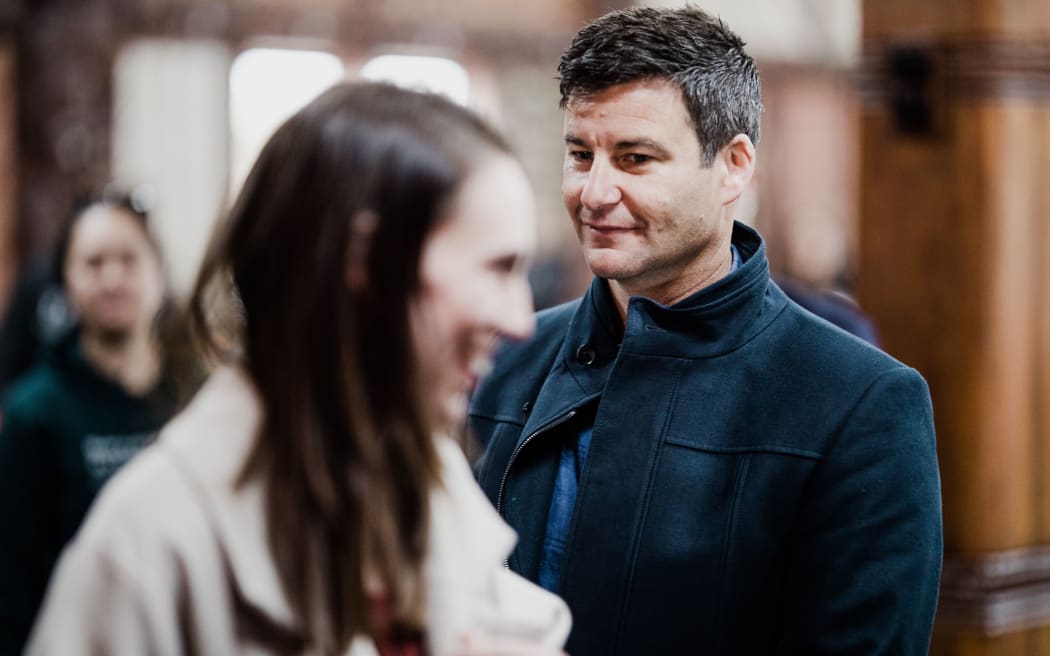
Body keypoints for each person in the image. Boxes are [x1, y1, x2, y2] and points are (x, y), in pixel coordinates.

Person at [27, 82, 570, 655]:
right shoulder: (149, 543)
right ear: (366, 262)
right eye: (496, 269)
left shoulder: (420, 474)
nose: (520, 321)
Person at [470, 7, 942, 655]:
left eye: (635, 159)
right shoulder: (501, 358)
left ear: (733, 166)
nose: (594, 191)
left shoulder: (862, 405)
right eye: (581, 155)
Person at [0, 191, 188, 654]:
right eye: (93, 262)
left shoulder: (191, 406)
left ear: (158, 271)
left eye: (128, 259)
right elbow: (11, 580)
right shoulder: (34, 414)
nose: (112, 277)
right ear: (66, 280)